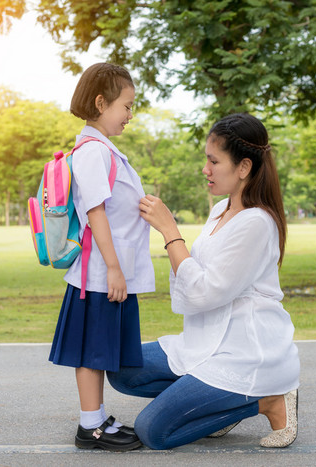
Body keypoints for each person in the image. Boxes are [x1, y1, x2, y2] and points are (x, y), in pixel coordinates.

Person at [108, 113, 300, 450]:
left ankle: (267, 400)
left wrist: (170, 230)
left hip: (242, 352)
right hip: (202, 341)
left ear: (243, 168)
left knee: (153, 430)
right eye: (205, 159)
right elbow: (196, 272)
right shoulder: (221, 210)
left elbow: (206, 291)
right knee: (121, 368)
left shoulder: (256, 223)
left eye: (214, 161)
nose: (205, 169)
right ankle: (218, 400)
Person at [47, 62, 155, 452]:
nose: (130, 114)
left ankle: (95, 419)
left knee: (97, 348)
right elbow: (96, 211)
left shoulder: (101, 149)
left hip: (105, 270)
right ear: (100, 102)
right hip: (99, 271)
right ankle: (90, 426)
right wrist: (113, 268)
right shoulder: (93, 152)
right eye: (126, 106)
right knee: (93, 350)